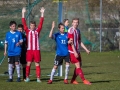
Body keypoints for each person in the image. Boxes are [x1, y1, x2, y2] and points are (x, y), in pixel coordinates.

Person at [22, 7, 45, 82]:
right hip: (29, 50)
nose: (32, 26)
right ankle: (27, 77)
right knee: (28, 63)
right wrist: (23, 13)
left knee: (37, 64)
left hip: (36, 50)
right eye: (31, 25)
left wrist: (42, 13)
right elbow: (24, 22)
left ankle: (38, 78)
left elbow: (41, 23)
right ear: (30, 26)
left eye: (33, 25)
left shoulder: (37, 31)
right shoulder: (27, 31)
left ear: (35, 26)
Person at [68, 18, 91, 85]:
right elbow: (71, 42)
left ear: (78, 23)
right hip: (72, 51)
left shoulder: (78, 30)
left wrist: (86, 49)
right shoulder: (71, 30)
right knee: (78, 65)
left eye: (77, 22)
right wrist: (74, 52)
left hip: (77, 50)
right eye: (74, 22)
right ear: (72, 23)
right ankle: (84, 80)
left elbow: (79, 41)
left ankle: (73, 80)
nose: (75, 23)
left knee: (79, 66)